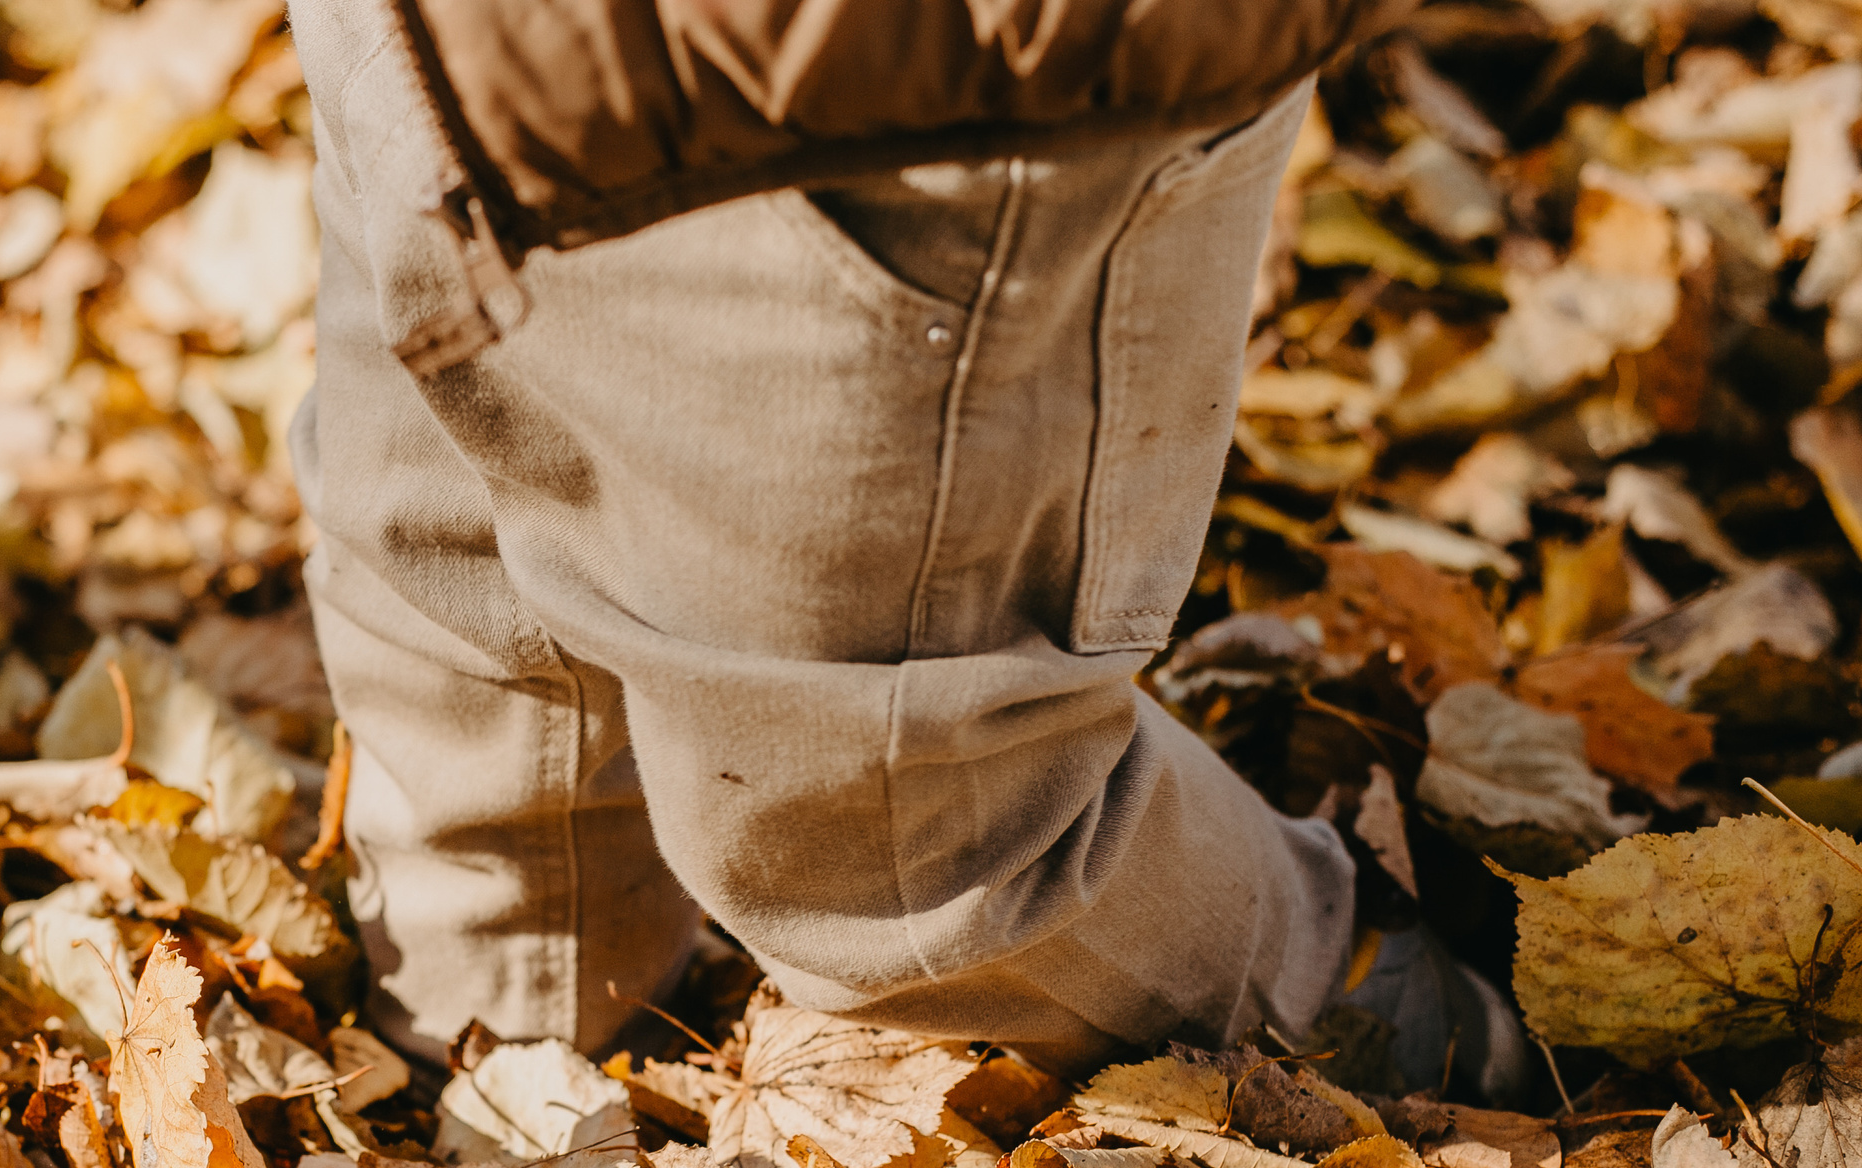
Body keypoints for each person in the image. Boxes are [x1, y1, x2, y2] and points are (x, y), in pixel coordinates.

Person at [288, 0, 1527, 1101]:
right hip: (443, 56)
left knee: (911, 827)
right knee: (442, 586)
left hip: (870, 102)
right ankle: (505, 1048)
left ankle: (1354, 999)